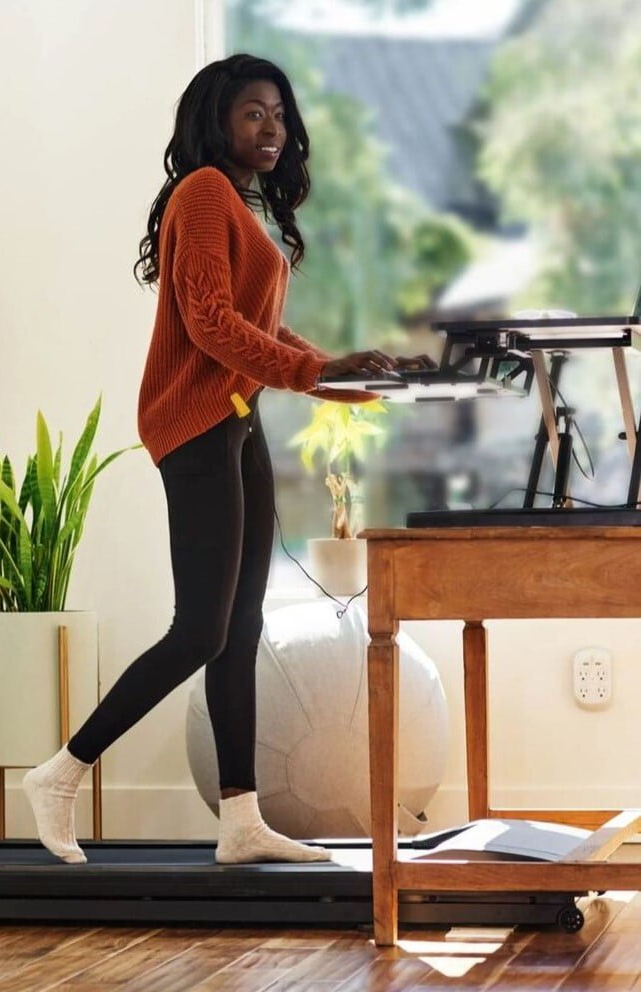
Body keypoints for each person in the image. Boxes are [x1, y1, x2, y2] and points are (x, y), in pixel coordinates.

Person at [23, 53, 434, 865]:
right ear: (218, 121)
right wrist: (323, 373)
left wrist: (358, 378)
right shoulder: (204, 193)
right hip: (196, 425)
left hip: (237, 423)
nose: (272, 126)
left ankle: (241, 820)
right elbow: (209, 321)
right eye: (253, 112)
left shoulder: (245, 207)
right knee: (200, 629)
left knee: (241, 628)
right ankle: (62, 771)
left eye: (279, 112)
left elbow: (268, 338)